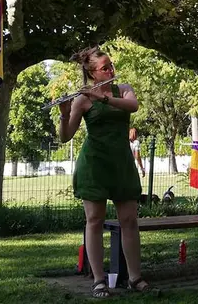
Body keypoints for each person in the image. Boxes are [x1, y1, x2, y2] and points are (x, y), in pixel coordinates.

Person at [58, 46, 148, 297]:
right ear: (92, 73)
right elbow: (65, 137)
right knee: (94, 220)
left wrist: (104, 98)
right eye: (105, 68)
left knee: (129, 220)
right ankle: (99, 280)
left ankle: (135, 278)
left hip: (121, 163)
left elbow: (133, 106)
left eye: (111, 65)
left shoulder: (124, 89)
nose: (111, 70)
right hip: (94, 164)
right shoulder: (82, 99)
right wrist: (64, 116)